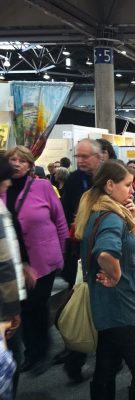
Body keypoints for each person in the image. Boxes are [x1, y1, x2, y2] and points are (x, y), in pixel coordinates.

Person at [74, 160, 135, 399]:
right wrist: (117, 274)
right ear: (110, 185)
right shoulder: (110, 217)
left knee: (106, 367)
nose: (132, 190)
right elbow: (105, 253)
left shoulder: (106, 211)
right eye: (128, 185)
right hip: (121, 305)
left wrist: (131, 217)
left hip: (109, 304)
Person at [4, 146, 69, 376]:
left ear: (31, 164)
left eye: (22, 160)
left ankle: (41, 352)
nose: (16, 163)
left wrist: (63, 252)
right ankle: (31, 352)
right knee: (21, 307)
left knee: (36, 306)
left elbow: (60, 220)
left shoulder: (43, 187)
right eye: (12, 159)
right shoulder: (3, 189)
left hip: (43, 260)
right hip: (14, 261)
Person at [60, 138, 102, 382]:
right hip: (80, 254)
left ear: (99, 157)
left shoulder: (108, 178)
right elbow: (65, 214)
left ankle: (110, 357)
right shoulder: (76, 180)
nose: (81, 161)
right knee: (81, 305)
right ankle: (74, 360)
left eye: (86, 156)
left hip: (104, 251)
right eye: (78, 156)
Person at [0, 155, 25, 399]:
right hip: (2, 305)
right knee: (10, 358)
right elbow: (4, 266)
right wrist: (12, 309)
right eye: (6, 177)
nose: (9, 183)